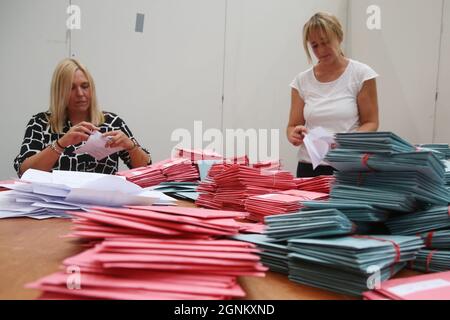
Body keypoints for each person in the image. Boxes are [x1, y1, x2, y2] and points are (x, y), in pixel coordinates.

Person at [13, 58, 151, 177]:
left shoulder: (111, 122)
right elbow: (24, 172)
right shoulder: (41, 123)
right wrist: (61, 144)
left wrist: (131, 147)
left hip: (101, 203)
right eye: (71, 88)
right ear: (59, 91)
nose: (80, 93)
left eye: (85, 86)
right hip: (55, 204)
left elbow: (146, 169)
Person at [287, 12, 379, 178]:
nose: (321, 50)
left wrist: (345, 142)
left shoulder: (361, 74)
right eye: (314, 45)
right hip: (309, 167)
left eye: (325, 42)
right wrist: (294, 134)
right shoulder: (301, 81)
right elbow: (292, 126)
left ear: (339, 37)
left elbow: (371, 122)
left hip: (347, 165)